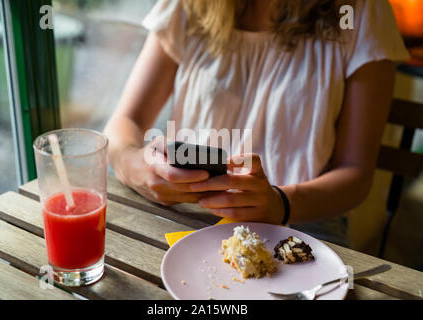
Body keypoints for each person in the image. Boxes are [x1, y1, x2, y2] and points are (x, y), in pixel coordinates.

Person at [104, 0, 409, 246]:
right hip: (186, 218)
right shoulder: (190, 5)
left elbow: (355, 174)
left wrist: (279, 204)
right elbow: (124, 123)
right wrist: (136, 165)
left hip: (299, 228)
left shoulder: (358, 11)